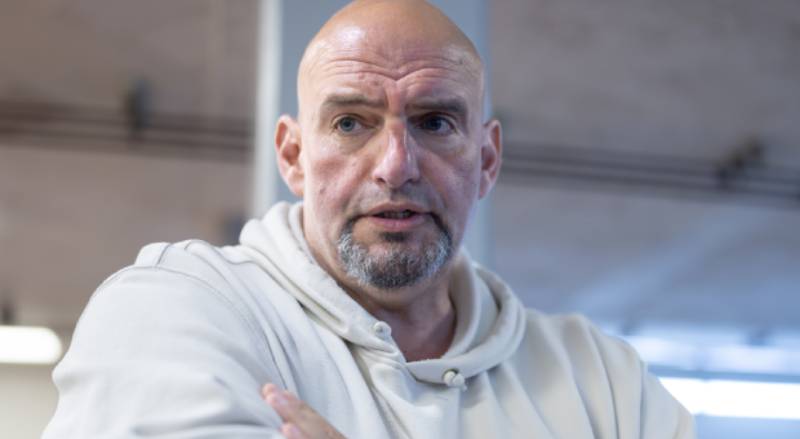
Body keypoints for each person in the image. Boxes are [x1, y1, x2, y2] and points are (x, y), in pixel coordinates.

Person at [43, 1, 695, 438]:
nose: (395, 165)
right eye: (351, 123)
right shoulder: (177, 311)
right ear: (293, 156)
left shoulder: (605, 383)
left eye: (434, 122)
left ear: (487, 160)